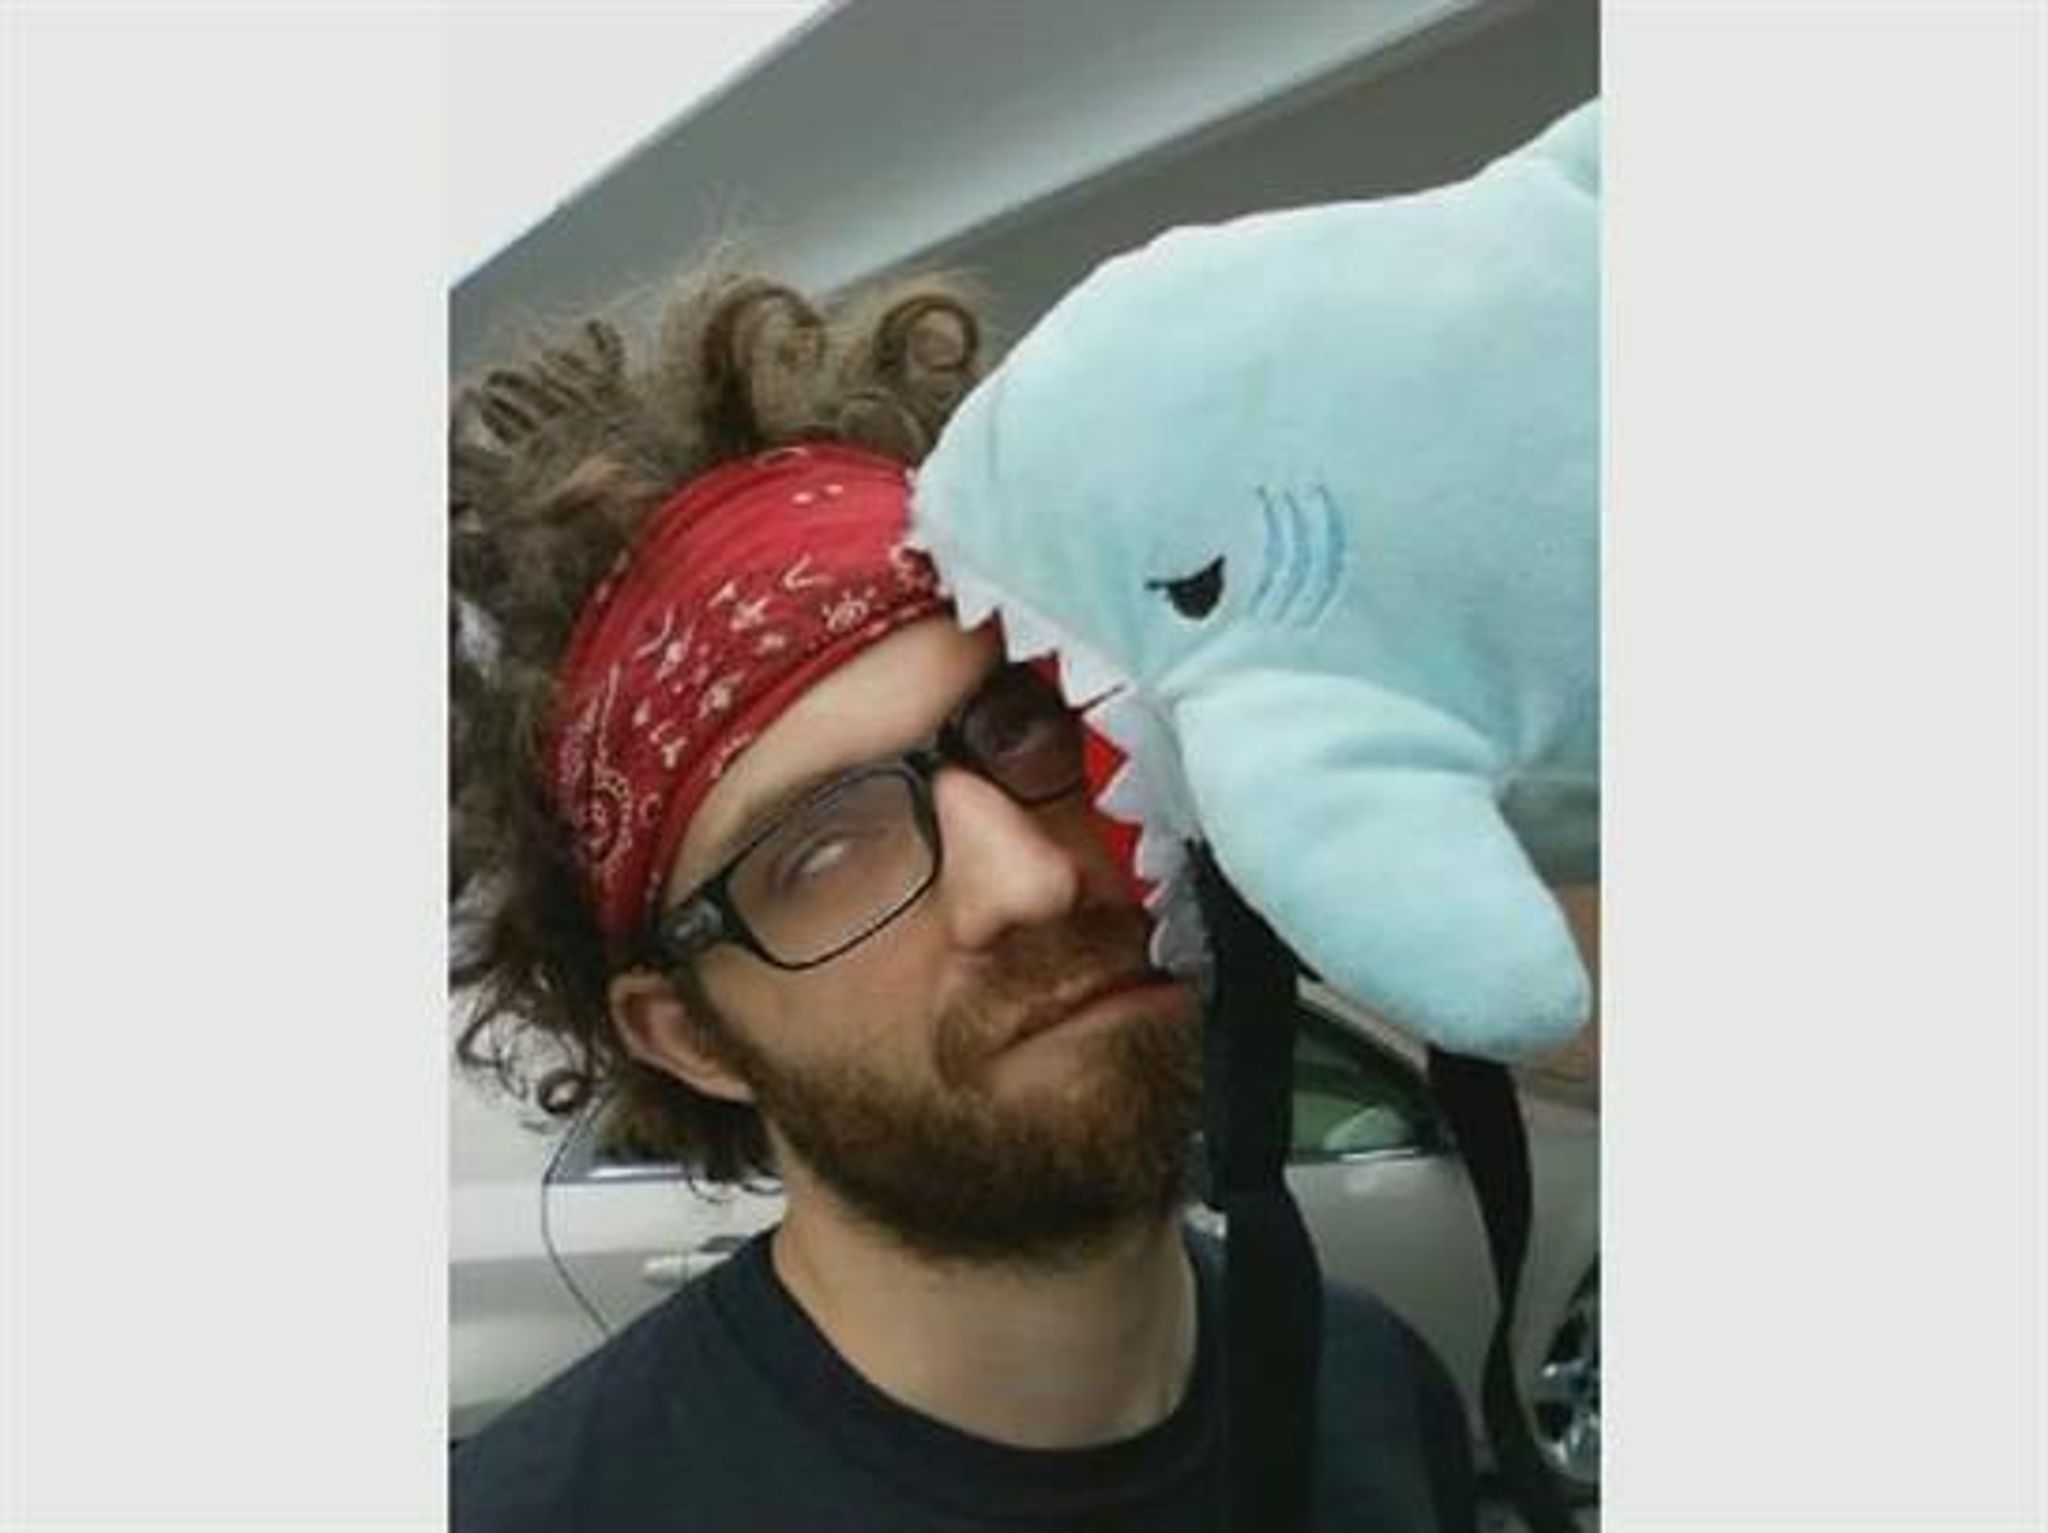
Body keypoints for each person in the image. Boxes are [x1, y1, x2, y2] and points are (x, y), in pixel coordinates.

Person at [448, 264, 1477, 1530]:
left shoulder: (1366, 1384)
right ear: (689, 1033)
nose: (1026, 881)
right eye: (820, 853)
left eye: (1026, 724)